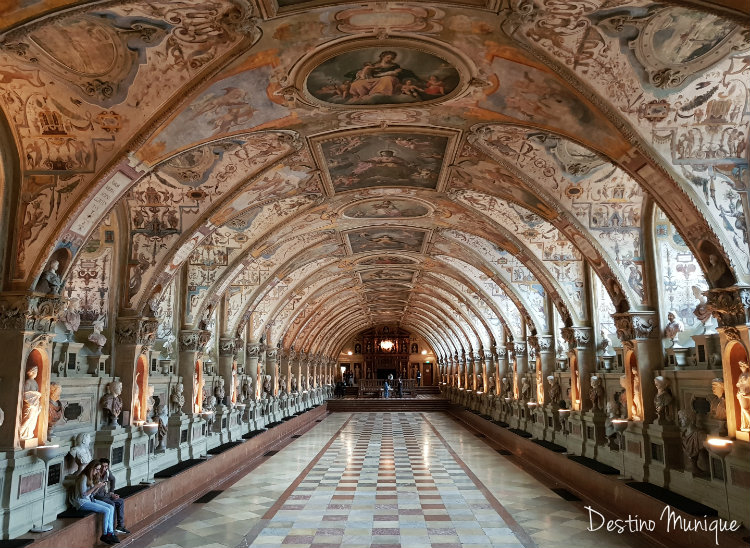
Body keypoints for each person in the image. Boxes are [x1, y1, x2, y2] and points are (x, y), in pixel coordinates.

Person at [69, 460, 120, 545]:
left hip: (89, 500)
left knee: (111, 507)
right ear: (91, 468)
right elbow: (83, 495)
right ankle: (104, 535)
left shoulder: (91, 477)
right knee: (106, 510)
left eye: (98, 470)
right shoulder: (83, 477)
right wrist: (95, 486)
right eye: (97, 469)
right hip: (81, 503)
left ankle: (110, 533)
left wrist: (98, 487)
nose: (97, 472)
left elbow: (92, 494)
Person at [93, 458, 129, 535]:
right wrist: (111, 495)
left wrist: (112, 492)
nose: (103, 468)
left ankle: (120, 526)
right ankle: (111, 529)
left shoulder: (107, 473)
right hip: (97, 497)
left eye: (106, 466)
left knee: (120, 501)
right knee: (111, 504)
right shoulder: (95, 474)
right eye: (102, 466)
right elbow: (97, 493)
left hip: (105, 495)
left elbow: (113, 479)